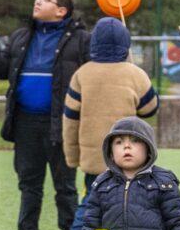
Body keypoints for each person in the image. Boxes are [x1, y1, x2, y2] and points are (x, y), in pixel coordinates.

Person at [0, 0, 92, 230]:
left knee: (65, 186)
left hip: (62, 124)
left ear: (62, 10)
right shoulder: (21, 36)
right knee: (29, 184)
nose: (37, 1)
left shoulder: (81, 40)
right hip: (25, 123)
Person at [61, 16, 156, 199]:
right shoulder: (135, 74)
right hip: (129, 157)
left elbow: (70, 120)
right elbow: (150, 109)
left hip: (94, 158)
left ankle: (80, 229)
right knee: (129, 203)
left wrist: (72, 157)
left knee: (91, 203)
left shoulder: (81, 74)